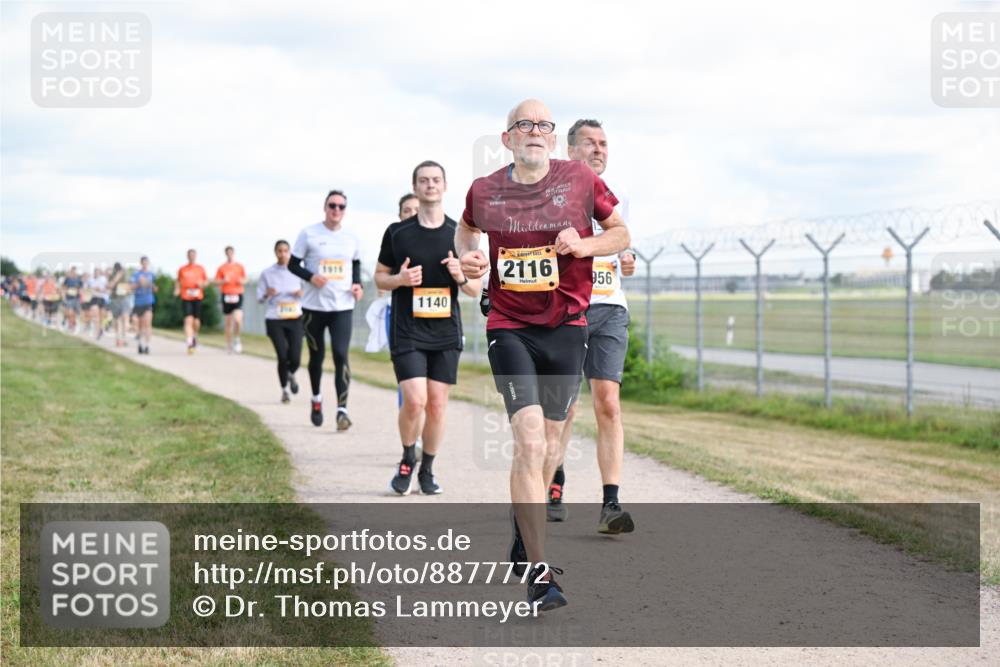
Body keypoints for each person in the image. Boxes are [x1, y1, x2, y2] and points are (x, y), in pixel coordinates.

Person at [455, 99, 630, 611]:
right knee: (530, 442)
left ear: (552, 139)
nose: (535, 131)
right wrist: (469, 256)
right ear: (507, 138)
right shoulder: (483, 190)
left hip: (566, 328)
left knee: (551, 444)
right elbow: (466, 229)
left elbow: (620, 234)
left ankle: (521, 517)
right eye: (524, 124)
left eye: (544, 125)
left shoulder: (579, 179)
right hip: (509, 327)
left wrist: (584, 244)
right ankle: (539, 573)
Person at [549, 119, 637, 533]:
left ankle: (610, 504)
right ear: (570, 151)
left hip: (609, 309)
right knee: (565, 407)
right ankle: (554, 480)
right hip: (568, 309)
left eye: (604, 143)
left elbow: (621, 244)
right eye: (590, 143)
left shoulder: (611, 203)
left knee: (608, 404)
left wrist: (627, 263)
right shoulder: (552, 196)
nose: (599, 149)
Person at [376, 161, 481, 496]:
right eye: (424, 181)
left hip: (446, 333)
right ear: (416, 187)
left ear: (445, 186)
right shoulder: (398, 233)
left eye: (436, 180)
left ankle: (428, 470)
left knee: (436, 405)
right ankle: (408, 458)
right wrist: (401, 279)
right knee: (415, 401)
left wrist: (459, 275)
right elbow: (380, 277)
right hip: (408, 330)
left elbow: (474, 290)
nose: (430, 185)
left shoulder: (460, 234)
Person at [289, 189, 363, 432]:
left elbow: (355, 264)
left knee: (341, 354)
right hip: (314, 307)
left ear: (345, 210)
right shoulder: (309, 234)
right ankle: (317, 399)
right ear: (325, 207)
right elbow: (292, 264)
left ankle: (342, 410)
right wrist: (310, 277)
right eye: (332, 205)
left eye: (341, 206)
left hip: (342, 306)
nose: (336, 210)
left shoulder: (351, 238)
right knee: (317, 356)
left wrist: (357, 285)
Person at [257, 240, 304, 403]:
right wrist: (266, 293)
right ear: (275, 253)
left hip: (295, 317)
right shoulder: (267, 273)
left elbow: (309, 291)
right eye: (279, 251)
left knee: (296, 358)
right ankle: (284, 390)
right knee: (282, 355)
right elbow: (259, 298)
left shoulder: (298, 271)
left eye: (285, 251)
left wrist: (301, 293)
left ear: (290, 252)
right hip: (274, 318)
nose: (283, 254)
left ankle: (291, 373)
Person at [215, 246, 248, 354]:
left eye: (231, 252)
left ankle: (237, 339)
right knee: (228, 322)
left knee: (238, 320)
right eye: (227, 253)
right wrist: (223, 281)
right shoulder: (221, 268)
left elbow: (246, 279)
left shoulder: (239, 266)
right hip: (226, 295)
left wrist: (242, 281)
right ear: (226, 254)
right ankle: (229, 345)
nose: (229, 254)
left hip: (237, 294)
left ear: (233, 253)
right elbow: (216, 282)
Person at [174, 249, 208, 354]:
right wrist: (177, 289)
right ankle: (189, 343)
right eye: (190, 255)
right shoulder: (182, 269)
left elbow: (206, 282)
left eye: (193, 255)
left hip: (197, 297)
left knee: (196, 322)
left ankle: (194, 336)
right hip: (186, 297)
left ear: (195, 256)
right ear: (187, 256)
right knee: (188, 320)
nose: (191, 257)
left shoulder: (200, 268)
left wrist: (201, 284)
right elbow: (178, 281)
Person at [131, 256, 157, 354]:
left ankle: (147, 346)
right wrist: (139, 283)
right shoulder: (136, 274)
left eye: (147, 262)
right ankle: (140, 344)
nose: (145, 264)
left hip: (148, 301)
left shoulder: (151, 275)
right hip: (138, 302)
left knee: (148, 323)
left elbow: (155, 289)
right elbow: (131, 287)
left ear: (148, 263)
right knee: (139, 324)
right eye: (143, 263)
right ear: (141, 263)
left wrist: (150, 284)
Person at [107, 262, 131, 347]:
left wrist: (128, 289)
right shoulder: (112, 276)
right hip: (115, 299)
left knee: (125, 318)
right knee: (117, 320)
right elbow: (109, 286)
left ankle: (123, 339)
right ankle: (118, 339)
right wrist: (116, 278)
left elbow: (130, 286)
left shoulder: (126, 276)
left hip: (124, 299)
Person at [86, 267, 109, 339]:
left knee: (101, 317)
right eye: (95, 272)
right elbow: (87, 288)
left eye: (98, 272)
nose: (96, 273)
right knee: (95, 315)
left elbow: (107, 289)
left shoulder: (103, 279)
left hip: (102, 298)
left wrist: (101, 290)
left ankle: (101, 329)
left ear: (100, 273)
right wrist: (92, 289)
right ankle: (97, 331)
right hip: (94, 298)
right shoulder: (90, 280)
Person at [61, 266, 84, 334]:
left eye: (74, 272)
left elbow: (81, 289)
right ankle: (71, 325)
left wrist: (80, 294)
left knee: (75, 314)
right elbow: (63, 287)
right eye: (72, 272)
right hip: (69, 298)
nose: (73, 273)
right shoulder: (67, 279)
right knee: (70, 313)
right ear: (71, 272)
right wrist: (64, 296)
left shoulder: (79, 280)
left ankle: (74, 325)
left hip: (76, 298)